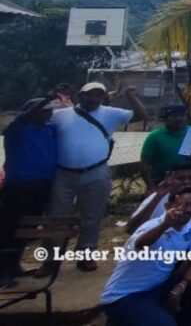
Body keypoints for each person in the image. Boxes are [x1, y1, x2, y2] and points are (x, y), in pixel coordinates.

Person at [47, 82, 146, 270]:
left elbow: (142, 116)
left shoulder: (110, 113)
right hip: (63, 173)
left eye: (98, 95)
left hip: (96, 171)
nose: (94, 98)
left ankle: (85, 255)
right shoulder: (59, 115)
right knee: (57, 217)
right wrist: (50, 96)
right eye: (89, 94)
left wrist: (131, 96)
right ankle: (51, 259)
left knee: (92, 216)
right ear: (79, 95)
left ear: (102, 98)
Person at [100, 187, 191, 326]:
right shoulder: (151, 227)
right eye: (183, 204)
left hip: (161, 284)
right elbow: (140, 243)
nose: (188, 209)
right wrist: (165, 224)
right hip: (127, 295)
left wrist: (182, 285)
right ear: (168, 206)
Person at [0, 98, 57, 286]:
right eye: (44, 110)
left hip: (42, 186)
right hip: (19, 186)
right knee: (10, 228)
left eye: (50, 110)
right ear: (32, 111)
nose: (48, 113)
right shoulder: (17, 130)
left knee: (29, 229)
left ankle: (14, 264)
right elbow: (23, 118)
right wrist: (47, 98)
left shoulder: (50, 130)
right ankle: (3, 271)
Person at [127, 163, 191, 236]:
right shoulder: (157, 196)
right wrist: (157, 197)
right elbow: (131, 230)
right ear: (171, 179)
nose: (186, 182)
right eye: (181, 178)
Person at [140, 103, 191, 192]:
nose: (178, 119)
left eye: (182, 115)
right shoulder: (155, 136)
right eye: (174, 116)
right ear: (166, 118)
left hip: (187, 182)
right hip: (161, 181)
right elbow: (144, 163)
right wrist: (151, 186)